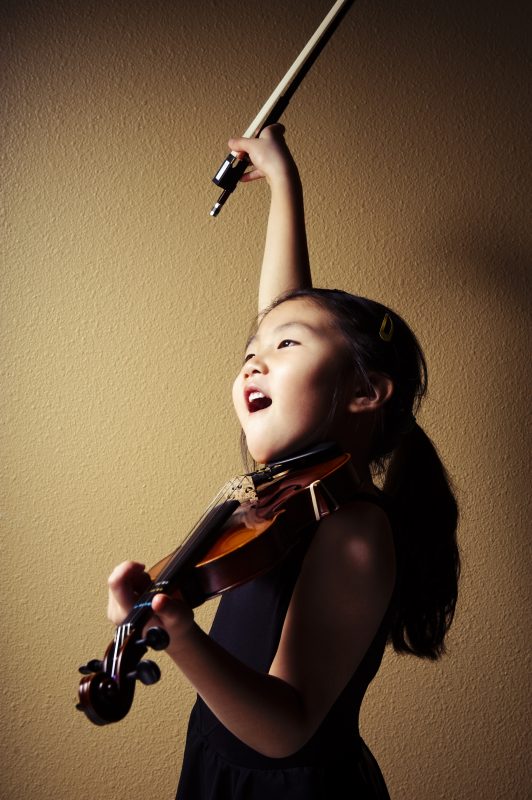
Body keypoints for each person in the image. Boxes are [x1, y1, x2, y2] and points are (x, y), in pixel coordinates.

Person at [108, 125, 460, 798]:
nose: (255, 358)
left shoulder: (354, 528)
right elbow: (285, 313)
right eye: (251, 351)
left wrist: (179, 632)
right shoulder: (296, 492)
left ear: (364, 393)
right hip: (216, 768)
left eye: (286, 346)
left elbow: (284, 726)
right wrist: (282, 183)